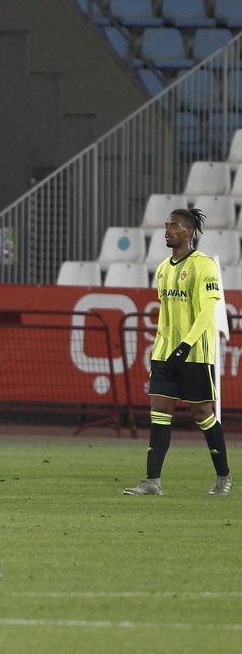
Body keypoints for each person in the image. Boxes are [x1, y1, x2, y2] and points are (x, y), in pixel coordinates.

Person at [125, 207, 231, 498]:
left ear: (189, 231)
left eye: (173, 226)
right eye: (166, 225)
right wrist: (160, 349)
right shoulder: (162, 268)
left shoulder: (203, 265)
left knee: (202, 413)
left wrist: (186, 344)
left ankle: (224, 476)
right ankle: (152, 481)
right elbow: (165, 315)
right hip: (164, 354)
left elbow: (209, 310)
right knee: (159, 412)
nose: (167, 230)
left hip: (195, 354)